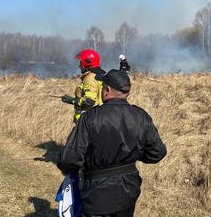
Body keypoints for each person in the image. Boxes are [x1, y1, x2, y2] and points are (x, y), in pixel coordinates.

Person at [58, 69, 167, 217]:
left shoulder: (90, 117)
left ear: (107, 90)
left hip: (96, 192)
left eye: (102, 87)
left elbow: (69, 159)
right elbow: (157, 153)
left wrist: (73, 169)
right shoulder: (141, 116)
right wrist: (133, 153)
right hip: (129, 190)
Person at [61, 49, 106, 123]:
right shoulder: (99, 75)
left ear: (87, 63)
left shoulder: (90, 78)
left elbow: (89, 101)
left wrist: (71, 100)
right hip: (97, 118)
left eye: (81, 63)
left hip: (88, 121)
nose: (79, 66)